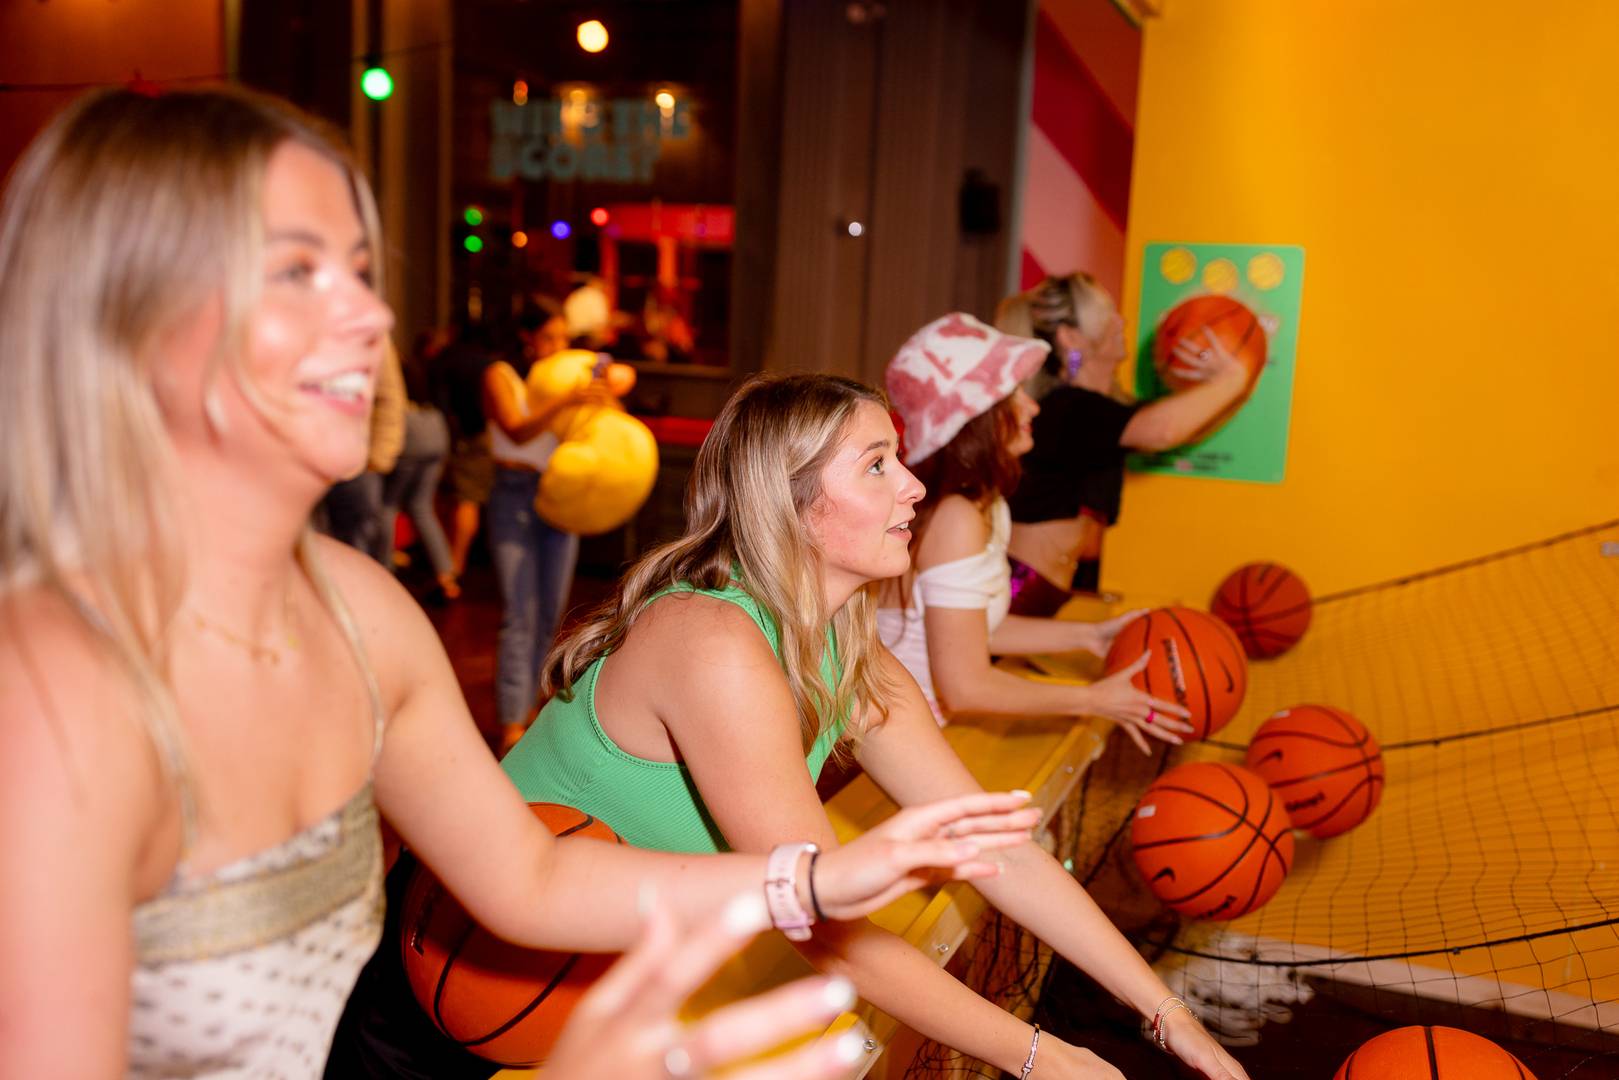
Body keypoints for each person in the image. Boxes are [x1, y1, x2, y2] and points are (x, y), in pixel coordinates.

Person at [0, 86, 1042, 1079]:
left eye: (361, 270)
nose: (369, 315)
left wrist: (810, 880)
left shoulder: (360, 605)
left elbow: (531, 878)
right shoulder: (50, 680)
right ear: (129, 320)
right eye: (296, 271)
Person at [495, 373, 1245, 1078]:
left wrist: (1167, 1013)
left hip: (588, 986)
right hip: (476, 971)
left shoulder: (850, 651)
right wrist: (1047, 1058)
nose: (915, 485)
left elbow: (996, 851)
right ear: (787, 502)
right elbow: (828, 929)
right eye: (877, 465)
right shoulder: (713, 642)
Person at [875, 313, 1193, 754]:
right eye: (1013, 395)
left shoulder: (985, 505)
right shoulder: (956, 517)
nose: (1033, 407)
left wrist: (1089, 636)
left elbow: (976, 629)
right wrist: (1096, 701)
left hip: (925, 733)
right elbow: (966, 686)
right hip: (897, 743)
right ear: (975, 417)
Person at [994, 273, 1249, 609]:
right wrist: (1234, 377)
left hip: (1058, 591)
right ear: (1071, 337)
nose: (1121, 322)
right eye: (1107, 315)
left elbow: (1180, 426)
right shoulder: (1065, 408)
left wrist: (1228, 385)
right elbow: (1163, 429)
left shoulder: (1105, 412)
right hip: (1020, 590)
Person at [482, 301, 585, 749]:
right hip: (514, 494)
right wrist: (567, 400)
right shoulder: (501, 374)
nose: (558, 347)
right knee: (519, 612)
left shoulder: (565, 378)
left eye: (564, 338)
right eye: (549, 338)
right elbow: (516, 428)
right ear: (527, 337)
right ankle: (510, 722)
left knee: (549, 614)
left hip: (558, 493)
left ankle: (534, 711)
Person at [381, 329, 459, 601]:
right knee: (422, 507)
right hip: (435, 430)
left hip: (409, 431)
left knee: (387, 505)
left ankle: (382, 572)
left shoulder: (389, 362)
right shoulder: (418, 367)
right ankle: (446, 575)